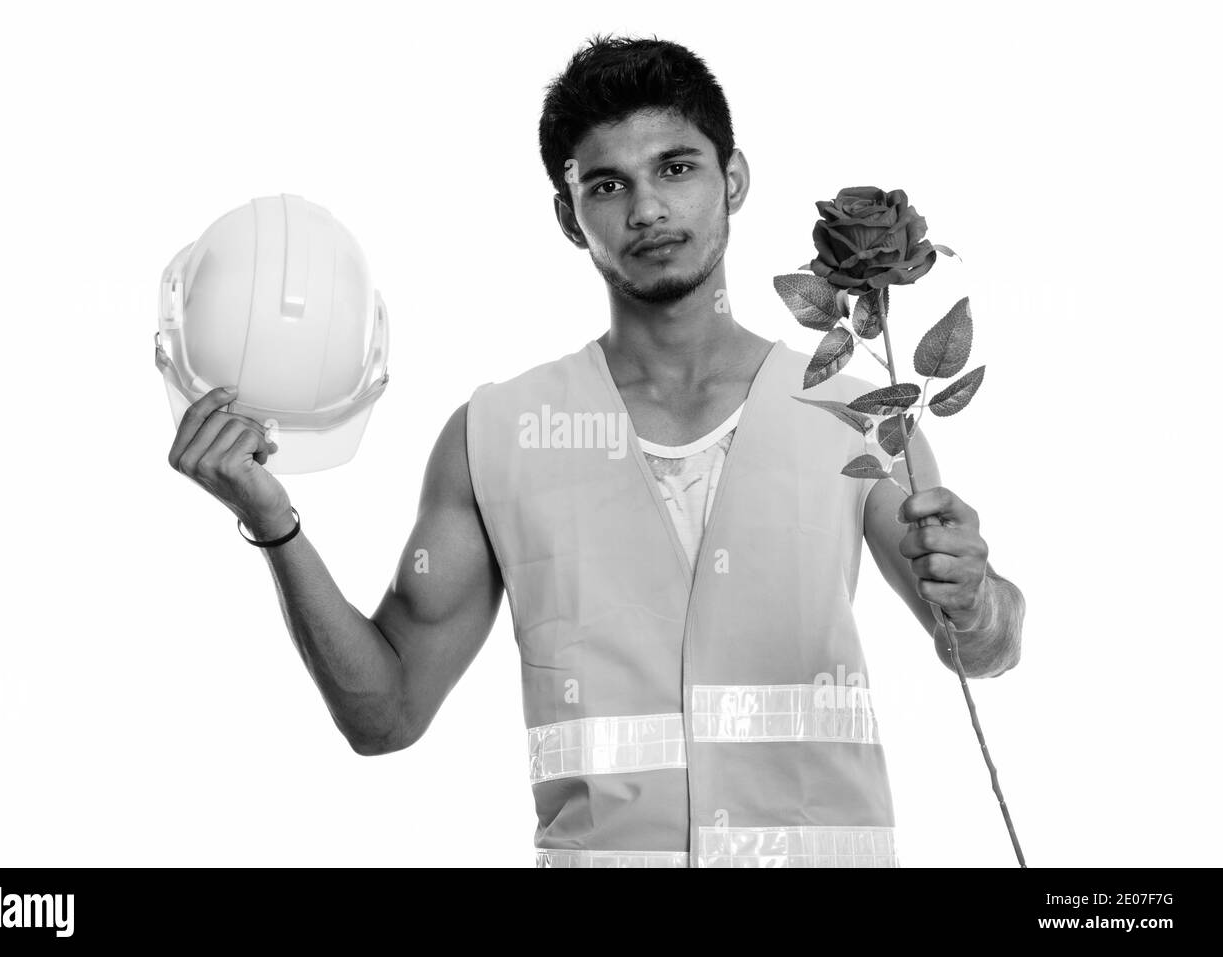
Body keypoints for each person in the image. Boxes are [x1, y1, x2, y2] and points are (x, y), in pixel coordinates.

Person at [165, 34, 1026, 868]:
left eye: (677, 168)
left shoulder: (855, 405)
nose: (647, 208)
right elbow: (383, 715)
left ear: (734, 178)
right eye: (608, 184)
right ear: (570, 218)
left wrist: (976, 593)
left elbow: (983, 648)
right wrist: (274, 526)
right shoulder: (495, 436)